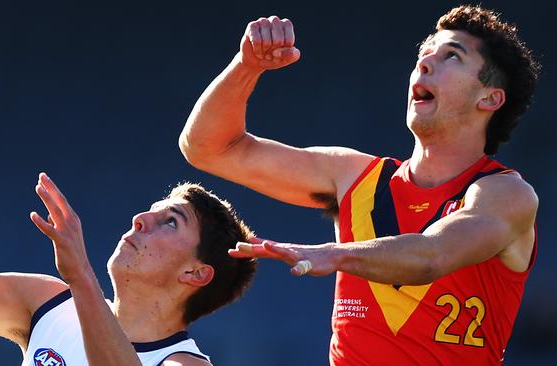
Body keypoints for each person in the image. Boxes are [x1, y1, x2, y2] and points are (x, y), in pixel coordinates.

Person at [179, 5, 539, 365]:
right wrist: (247, 66)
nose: (425, 64)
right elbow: (208, 148)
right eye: (424, 53)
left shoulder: (504, 194)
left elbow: (432, 256)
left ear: (489, 98)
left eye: (451, 57)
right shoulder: (354, 176)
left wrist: (333, 254)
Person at [0, 58, 256, 366]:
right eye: (152, 211)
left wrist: (82, 278)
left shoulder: (183, 364)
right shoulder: (50, 306)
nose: (141, 220)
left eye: (169, 222)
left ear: (196, 273)